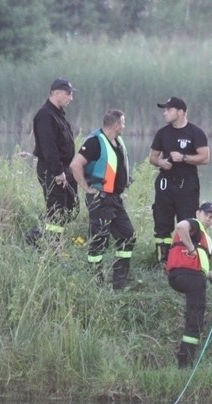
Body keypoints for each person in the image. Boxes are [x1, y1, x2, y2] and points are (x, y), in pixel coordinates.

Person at [70, 109, 135, 290]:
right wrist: (87, 189)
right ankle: (95, 283)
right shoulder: (94, 142)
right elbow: (75, 165)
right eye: (123, 123)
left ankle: (119, 282)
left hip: (115, 199)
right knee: (99, 241)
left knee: (127, 235)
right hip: (100, 198)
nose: (124, 126)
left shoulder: (117, 141)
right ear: (115, 125)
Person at [166, 202, 212, 368]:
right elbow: (181, 226)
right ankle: (185, 363)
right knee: (195, 321)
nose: (208, 219)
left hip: (185, 276)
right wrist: (190, 247)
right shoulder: (194, 224)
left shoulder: (205, 239)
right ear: (198, 213)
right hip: (189, 276)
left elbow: (201, 270)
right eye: (206, 215)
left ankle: (185, 359)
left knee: (194, 318)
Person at [148, 97, 210, 265]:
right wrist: (161, 162)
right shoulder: (162, 133)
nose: (164, 113)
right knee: (162, 223)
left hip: (187, 184)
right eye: (164, 109)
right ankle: (163, 262)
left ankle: (186, 260)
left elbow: (205, 158)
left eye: (168, 109)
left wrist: (184, 157)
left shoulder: (195, 132)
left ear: (181, 112)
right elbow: (152, 157)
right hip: (165, 183)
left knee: (187, 222)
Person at [26, 78, 77, 247]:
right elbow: (49, 147)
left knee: (71, 208)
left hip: (65, 168)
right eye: (68, 94)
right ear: (56, 93)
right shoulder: (45, 115)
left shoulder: (59, 114)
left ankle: (37, 234)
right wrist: (57, 172)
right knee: (57, 210)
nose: (71, 98)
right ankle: (52, 247)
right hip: (52, 169)